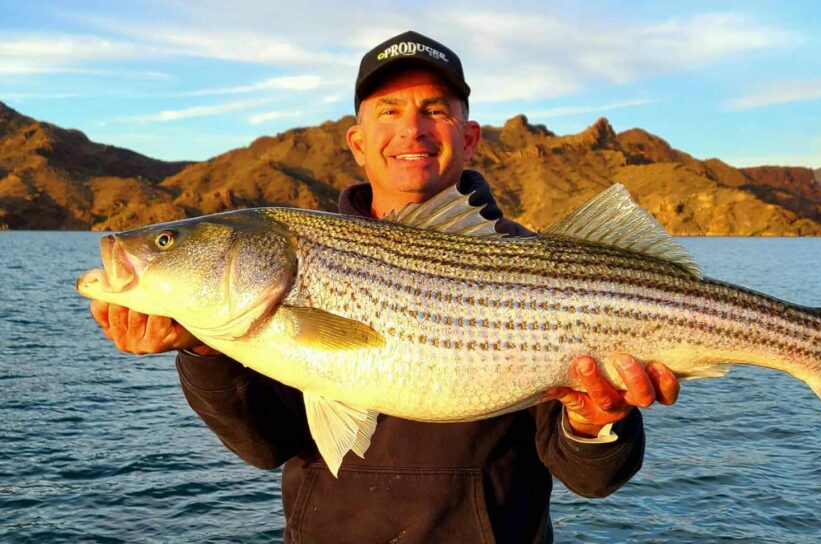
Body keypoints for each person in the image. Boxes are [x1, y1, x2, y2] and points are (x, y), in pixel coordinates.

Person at [89, 31, 680, 543]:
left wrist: (594, 417)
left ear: (470, 138)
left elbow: (590, 478)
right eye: (389, 110)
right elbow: (267, 446)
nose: (412, 129)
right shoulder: (272, 297)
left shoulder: (546, 263)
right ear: (357, 141)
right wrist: (201, 350)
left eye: (436, 109)